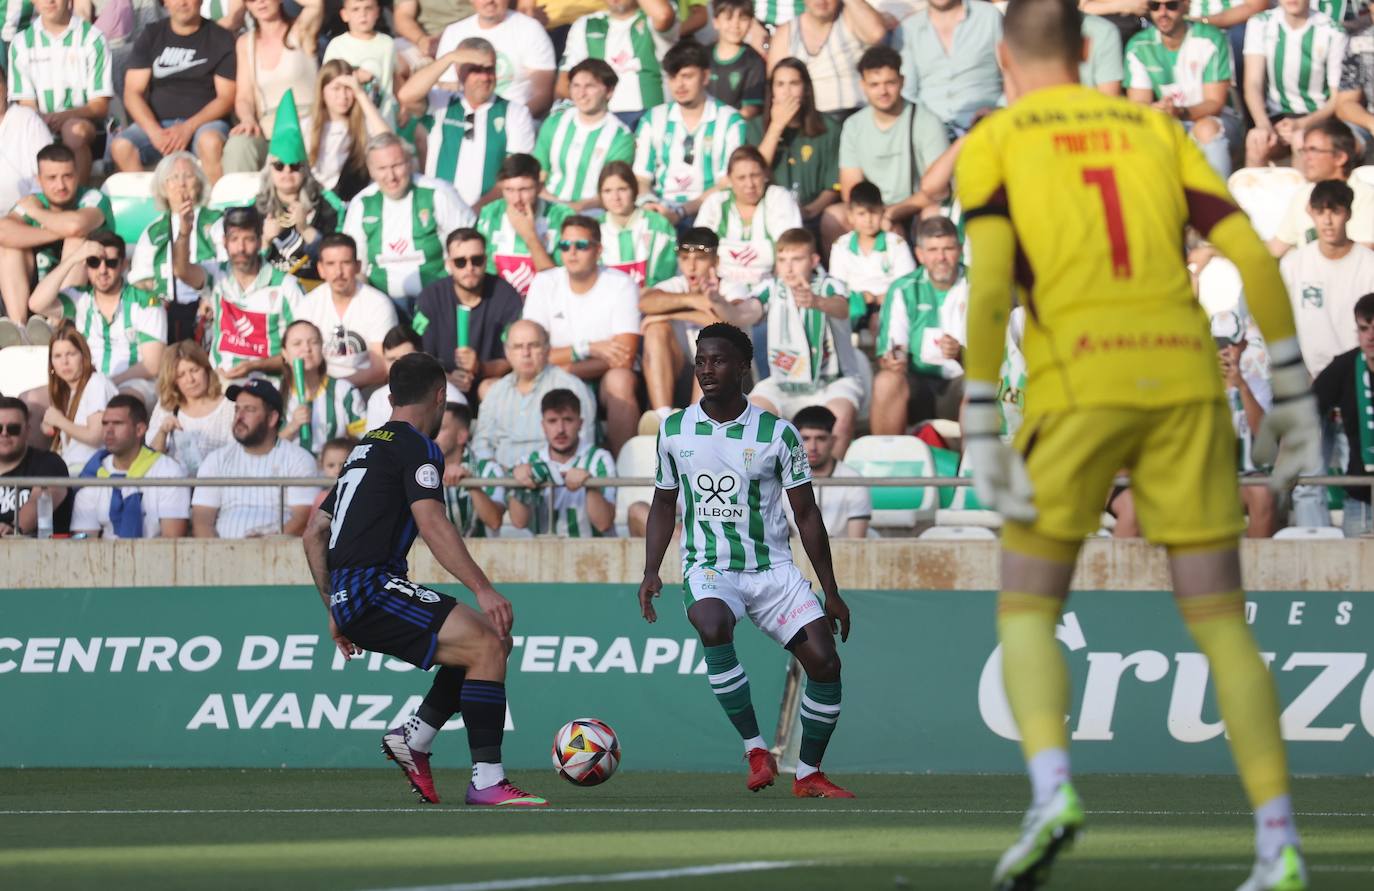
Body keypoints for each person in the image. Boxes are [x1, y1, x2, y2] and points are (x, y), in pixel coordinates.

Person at [954, 2, 1319, 887]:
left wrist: (976, 410)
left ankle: (1052, 792)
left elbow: (995, 279)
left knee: (1029, 604)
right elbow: (1255, 258)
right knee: (1223, 622)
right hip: (1188, 381)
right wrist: (1295, 388)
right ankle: (1279, 847)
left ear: (1003, 59)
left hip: (1077, 384)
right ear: (1087, 51)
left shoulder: (995, 143)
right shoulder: (1153, 129)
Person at [302, 351, 548, 807]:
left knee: (488, 641)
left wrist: (334, 607)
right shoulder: (417, 446)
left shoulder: (363, 449)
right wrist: (483, 588)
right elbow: (433, 523)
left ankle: (416, 737)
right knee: (490, 642)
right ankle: (486, 780)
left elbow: (314, 532)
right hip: (374, 587)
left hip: (356, 592)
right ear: (440, 396)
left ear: (391, 397)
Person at [638, 321, 854, 797]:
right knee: (712, 623)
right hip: (709, 566)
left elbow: (807, 515)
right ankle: (757, 749)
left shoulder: (779, 434)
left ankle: (809, 774)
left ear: (742, 366)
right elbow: (661, 503)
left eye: (717, 360)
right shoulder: (674, 430)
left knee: (825, 663)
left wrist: (831, 591)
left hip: (773, 570)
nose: (706, 369)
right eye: (699, 361)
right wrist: (652, 570)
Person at [721, 227, 866, 456]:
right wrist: (719, 303)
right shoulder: (771, 287)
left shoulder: (830, 285)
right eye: (782, 260)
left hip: (833, 382)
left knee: (840, 421)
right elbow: (742, 315)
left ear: (814, 260)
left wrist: (817, 302)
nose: (788, 268)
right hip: (783, 382)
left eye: (796, 259)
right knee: (747, 421)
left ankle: (828, 487)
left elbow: (842, 308)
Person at [522, 216, 642, 454]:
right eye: (565, 246)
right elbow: (530, 354)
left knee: (620, 379)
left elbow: (624, 358)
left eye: (581, 245)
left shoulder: (622, 284)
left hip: (601, 378)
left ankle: (625, 476)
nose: (572, 252)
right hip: (555, 374)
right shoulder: (544, 282)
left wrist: (562, 363)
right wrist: (589, 348)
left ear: (598, 249)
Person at [28, 232, 167, 408]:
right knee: (30, 399)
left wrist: (103, 386)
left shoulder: (146, 302)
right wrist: (73, 259)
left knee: (118, 405)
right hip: (84, 384)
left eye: (111, 263)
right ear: (86, 266)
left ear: (124, 265)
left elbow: (152, 366)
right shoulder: (80, 298)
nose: (102, 270)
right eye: (94, 262)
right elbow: (36, 303)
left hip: (132, 383)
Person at [830, 46, 949, 249]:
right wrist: (875, 219)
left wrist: (893, 214)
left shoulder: (927, 121)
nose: (883, 91)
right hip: (871, 209)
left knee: (934, 215)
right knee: (832, 218)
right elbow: (850, 188)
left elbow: (937, 190)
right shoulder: (853, 126)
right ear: (863, 86)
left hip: (915, 207)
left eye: (890, 83)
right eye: (874, 84)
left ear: (902, 81)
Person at [342, 133, 475, 315]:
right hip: (384, 304)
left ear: (410, 163)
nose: (391, 176)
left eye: (396, 165)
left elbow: (470, 248)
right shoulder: (362, 204)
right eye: (381, 168)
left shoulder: (439, 193)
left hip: (439, 300)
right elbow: (357, 267)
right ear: (371, 170)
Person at [400, 39, 535, 212]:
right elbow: (406, 96)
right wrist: (450, 58)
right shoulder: (441, 102)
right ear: (459, 72)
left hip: (486, 213)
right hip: (438, 211)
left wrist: (476, 210)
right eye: (476, 70)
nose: (485, 77)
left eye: (489, 69)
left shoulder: (515, 113)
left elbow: (515, 174)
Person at [111, 0, 235, 182]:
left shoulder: (221, 38)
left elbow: (226, 98)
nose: (182, 3)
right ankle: (146, 209)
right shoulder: (152, 35)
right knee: (121, 146)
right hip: (158, 126)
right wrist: (155, 132)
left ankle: (214, 209)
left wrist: (188, 127)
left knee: (210, 143)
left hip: (205, 125)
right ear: (165, 3)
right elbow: (132, 93)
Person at [178, 205, 307, 375]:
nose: (241, 248)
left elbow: (302, 352)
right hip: (221, 383)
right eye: (234, 239)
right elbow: (182, 271)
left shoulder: (287, 286)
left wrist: (254, 366)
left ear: (260, 241)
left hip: (270, 386)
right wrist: (184, 234)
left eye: (248, 239)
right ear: (224, 242)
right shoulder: (217, 274)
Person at [633, 40, 748, 225]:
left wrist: (682, 211)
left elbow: (728, 182)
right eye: (673, 77)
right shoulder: (653, 118)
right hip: (661, 211)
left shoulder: (730, 121)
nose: (679, 85)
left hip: (711, 212)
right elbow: (641, 177)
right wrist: (650, 205)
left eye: (687, 76)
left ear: (705, 77)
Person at [1124, 0, 1243, 178]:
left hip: (1219, 119)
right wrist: (1158, 110)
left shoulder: (1211, 38)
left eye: (1171, 5)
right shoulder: (1138, 45)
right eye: (1155, 6)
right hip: (1169, 120)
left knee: (1205, 128)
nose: (1162, 12)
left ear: (1186, 5)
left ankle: (1218, 201)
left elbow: (1214, 103)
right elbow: (1139, 105)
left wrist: (1178, 112)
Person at [0, 144, 113, 331]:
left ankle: (57, 325)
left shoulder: (92, 197)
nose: (60, 185)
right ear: (39, 180)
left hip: (79, 297)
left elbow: (75, 226)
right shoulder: (35, 201)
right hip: (33, 296)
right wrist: (56, 230)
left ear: (77, 174)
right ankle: (18, 328)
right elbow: (3, 233)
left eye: (67, 176)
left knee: (77, 240)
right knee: (9, 246)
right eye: (52, 178)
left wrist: (36, 214)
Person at [872, 215, 966, 433]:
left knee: (979, 386)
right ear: (920, 254)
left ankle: (974, 465)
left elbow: (994, 359)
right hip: (917, 385)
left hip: (961, 383)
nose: (941, 257)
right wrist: (893, 361)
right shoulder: (903, 289)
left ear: (960, 249)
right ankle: (886, 463)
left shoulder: (977, 285)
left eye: (948, 248)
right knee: (886, 381)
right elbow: (889, 353)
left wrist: (961, 353)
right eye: (933, 250)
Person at [192, 377, 319, 538]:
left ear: (272, 418)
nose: (239, 417)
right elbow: (202, 522)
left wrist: (262, 548)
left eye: (249, 410)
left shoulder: (299, 460)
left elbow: (302, 520)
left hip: (279, 554)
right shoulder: (216, 460)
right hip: (223, 555)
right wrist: (218, 555)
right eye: (237, 409)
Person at [638, 227, 738, 429]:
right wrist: (694, 301)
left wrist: (671, 311)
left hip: (725, 381)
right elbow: (645, 302)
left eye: (699, 259)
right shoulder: (676, 285)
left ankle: (698, 424)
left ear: (715, 261)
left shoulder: (731, 288)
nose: (691, 267)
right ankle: (662, 417)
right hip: (679, 371)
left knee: (717, 343)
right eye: (684, 258)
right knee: (656, 329)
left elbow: (728, 327)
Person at [6, 0, 113, 182]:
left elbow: (100, 106)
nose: (49, 1)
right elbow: (26, 104)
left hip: (87, 125)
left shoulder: (93, 38)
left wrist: (64, 116)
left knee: (73, 130)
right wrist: (42, 121)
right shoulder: (20, 43)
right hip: (39, 123)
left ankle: (76, 199)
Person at [470, 319, 597, 468]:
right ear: (507, 352)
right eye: (518, 347)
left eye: (533, 345)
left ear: (547, 349)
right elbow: (481, 445)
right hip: (501, 483)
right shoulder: (496, 392)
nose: (525, 353)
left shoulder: (572, 388)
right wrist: (495, 475)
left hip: (553, 484)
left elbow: (584, 448)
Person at [413, 228, 522, 402]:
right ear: (448, 264)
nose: (470, 268)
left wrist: (480, 367)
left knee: (490, 389)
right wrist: (447, 378)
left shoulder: (506, 297)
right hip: (442, 385)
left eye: (476, 260)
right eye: (460, 262)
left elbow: (513, 360)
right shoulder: (430, 297)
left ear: (486, 261)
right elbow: (419, 357)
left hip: (490, 384)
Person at [1280, 180, 1374, 379]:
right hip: (1310, 377)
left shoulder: (1369, 265)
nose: (1328, 221)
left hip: (1358, 375)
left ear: (1348, 214)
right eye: (1321, 212)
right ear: (1310, 213)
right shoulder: (1293, 265)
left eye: (1335, 212)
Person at [128, 152, 226, 344]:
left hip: (209, 309)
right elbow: (140, 280)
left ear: (198, 183)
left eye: (188, 176)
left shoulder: (215, 221)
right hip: (166, 313)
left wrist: (211, 297)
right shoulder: (153, 232)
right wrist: (156, 303)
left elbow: (227, 268)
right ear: (163, 187)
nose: (182, 184)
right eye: (174, 178)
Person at [221, 0, 321, 175]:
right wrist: (247, 118)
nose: (260, 2)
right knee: (239, 145)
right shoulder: (245, 43)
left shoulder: (301, 28)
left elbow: (316, 4)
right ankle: (237, 202)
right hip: (268, 127)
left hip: (306, 122)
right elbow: (244, 97)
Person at [1242, 0, 1346, 168]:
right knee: (1256, 139)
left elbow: (1336, 99)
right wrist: (1263, 125)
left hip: (1317, 117)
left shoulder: (1333, 32)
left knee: (1300, 140)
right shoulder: (1260, 23)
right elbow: (1252, 83)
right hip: (1276, 117)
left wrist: (1302, 124)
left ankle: (1303, 193)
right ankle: (1247, 194)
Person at [71, 394, 190, 539]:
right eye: (105, 423)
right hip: (103, 559)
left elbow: (172, 541)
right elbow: (84, 544)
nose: (108, 430)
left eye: (117, 423)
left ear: (139, 430)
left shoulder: (169, 472)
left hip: (156, 559)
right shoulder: (93, 473)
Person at [749, 58, 842, 234]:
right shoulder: (753, 127)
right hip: (769, 213)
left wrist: (810, 211)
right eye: (780, 84)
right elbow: (753, 171)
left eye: (794, 83)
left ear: (805, 89)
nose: (787, 92)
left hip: (815, 213)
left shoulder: (829, 129)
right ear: (772, 90)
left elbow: (834, 185)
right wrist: (776, 126)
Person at [254, 99, 342, 284]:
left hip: (315, 289)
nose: (286, 172)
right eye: (279, 166)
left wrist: (306, 229)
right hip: (270, 292)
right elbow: (246, 271)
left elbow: (338, 262)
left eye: (294, 166)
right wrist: (265, 242)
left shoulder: (328, 205)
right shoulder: (254, 208)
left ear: (305, 169)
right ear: (269, 169)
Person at [507, 387, 617, 536]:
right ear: (543, 426)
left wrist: (590, 486)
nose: (560, 429)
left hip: (595, 555)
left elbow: (604, 523)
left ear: (580, 423)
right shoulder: (527, 462)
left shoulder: (600, 459)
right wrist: (520, 485)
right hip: (545, 554)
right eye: (552, 421)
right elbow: (519, 522)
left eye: (568, 420)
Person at [694, 145, 804, 292]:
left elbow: (791, 250)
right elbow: (698, 253)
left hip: (769, 288)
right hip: (719, 288)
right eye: (741, 178)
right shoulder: (715, 202)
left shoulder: (779, 198)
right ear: (729, 179)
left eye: (755, 175)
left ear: (765, 175)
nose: (750, 184)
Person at [297, 233, 397, 391]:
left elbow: (381, 368)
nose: (338, 272)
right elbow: (298, 358)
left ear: (357, 266)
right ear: (320, 269)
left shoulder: (378, 304)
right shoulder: (308, 304)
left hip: (368, 388)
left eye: (345, 263)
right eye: (330, 264)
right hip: (319, 389)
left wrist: (339, 387)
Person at [536, 59, 637, 209]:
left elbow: (612, 192)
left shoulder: (621, 138)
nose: (581, 94)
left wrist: (573, 208)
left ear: (609, 91)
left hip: (591, 213)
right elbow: (539, 173)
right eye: (576, 86)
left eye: (589, 86)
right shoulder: (555, 123)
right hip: (547, 206)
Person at [558, 0, 676, 129]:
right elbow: (565, 80)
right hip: (601, 121)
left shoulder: (652, 17)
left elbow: (663, 16)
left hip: (652, 116)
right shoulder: (586, 24)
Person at [1212, 310, 1277, 538]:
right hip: (1206, 475)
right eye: (1219, 343)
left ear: (1243, 345)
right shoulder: (1196, 383)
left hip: (1244, 476)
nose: (1225, 351)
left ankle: (1255, 569)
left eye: (1231, 343)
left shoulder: (1258, 385)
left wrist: (1241, 387)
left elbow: (1264, 436)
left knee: (1263, 492)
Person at [1314, 292, 1374, 537]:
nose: (1371, 336)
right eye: (1364, 328)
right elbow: (1306, 413)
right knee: (1358, 576)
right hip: (1360, 499)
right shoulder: (1345, 366)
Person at [1269, 120, 1374, 258]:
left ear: (1340, 158)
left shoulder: (1367, 197)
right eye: (1304, 151)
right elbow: (1274, 249)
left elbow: (1363, 257)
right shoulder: (1303, 195)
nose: (1306, 158)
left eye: (1313, 150)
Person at [475, 153, 574, 298]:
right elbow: (486, 275)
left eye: (525, 189)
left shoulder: (561, 216)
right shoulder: (490, 214)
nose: (517, 199)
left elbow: (558, 285)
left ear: (540, 187)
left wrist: (530, 236)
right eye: (509, 190)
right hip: (502, 308)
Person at [897, 0, 1004, 135]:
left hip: (988, 125)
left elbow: (1014, 71)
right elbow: (907, 92)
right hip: (931, 132)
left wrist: (1001, 108)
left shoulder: (989, 16)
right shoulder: (908, 28)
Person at [435, 0, 556, 119]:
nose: (489, 1)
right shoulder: (453, 32)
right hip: (463, 121)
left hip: (515, 120)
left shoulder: (531, 29)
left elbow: (542, 97)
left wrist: (511, 122)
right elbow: (446, 88)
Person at [767, 0, 887, 119]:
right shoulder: (786, 33)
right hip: (810, 120)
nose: (822, 1)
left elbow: (876, 34)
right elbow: (775, 81)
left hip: (855, 113)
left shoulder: (851, 19)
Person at [827, 180, 916, 333]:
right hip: (853, 308)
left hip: (889, 307)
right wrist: (862, 299)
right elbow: (837, 288)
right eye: (861, 214)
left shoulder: (896, 244)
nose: (868, 220)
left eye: (873, 212)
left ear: (882, 212)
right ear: (850, 216)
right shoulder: (841, 246)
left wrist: (880, 300)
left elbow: (907, 285)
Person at [146, 339, 236, 477]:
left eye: (194, 370)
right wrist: (163, 432)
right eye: (181, 375)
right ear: (173, 380)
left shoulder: (230, 406)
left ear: (206, 369)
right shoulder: (167, 406)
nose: (190, 380)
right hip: (177, 490)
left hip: (220, 485)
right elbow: (150, 461)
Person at [278, 320, 368, 456]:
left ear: (322, 348)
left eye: (313, 342)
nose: (306, 349)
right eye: (297, 344)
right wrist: (292, 427)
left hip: (331, 474)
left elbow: (363, 440)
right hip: (286, 474)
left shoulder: (345, 391)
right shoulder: (273, 392)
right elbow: (262, 449)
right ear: (284, 353)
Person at [308, 61, 392, 205]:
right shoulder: (308, 127)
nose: (343, 96)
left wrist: (359, 93)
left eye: (348, 89)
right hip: (319, 203)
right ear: (322, 91)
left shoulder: (366, 124)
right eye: (336, 89)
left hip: (354, 201)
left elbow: (388, 141)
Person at [43, 323, 118, 475]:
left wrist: (59, 421)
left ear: (83, 356)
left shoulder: (96, 383)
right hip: (72, 473)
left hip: (94, 474)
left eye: (70, 354)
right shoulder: (67, 392)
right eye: (57, 356)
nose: (64, 362)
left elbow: (96, 436)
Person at [363, 324, 469, 428]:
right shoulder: (377, 399)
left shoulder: (452, 398)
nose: (398, 366)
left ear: (422, 356)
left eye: (405, 358)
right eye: (391, 359)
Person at [787, 404, 869, 537]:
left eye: (821, 438)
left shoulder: (854, 481)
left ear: (833, 440)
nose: (813, 447)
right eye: (805, 439)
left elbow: (856, 543)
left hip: (844, 555)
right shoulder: (782, 479)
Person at [596, 161, 679, 288]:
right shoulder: (594, 229)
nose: (615, 197)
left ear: (634, 190)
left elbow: (667, 272)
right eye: (607, 191)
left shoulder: (659, 225)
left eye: (622, 189)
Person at [0, 394, 71, 536]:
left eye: (13, 429)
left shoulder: (49, 463)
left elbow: (38, 501)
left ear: (27, 430)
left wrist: (13, 529)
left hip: (35, 552)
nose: (4, 434)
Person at [321, 0, 400, 128]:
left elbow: (395, 76)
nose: (363, 14)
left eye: (368, 8)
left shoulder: (387, 44)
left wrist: (404, 106)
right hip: (350, 124)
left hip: (383, 118)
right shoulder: (337, 45)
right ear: (344, 14)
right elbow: (327, 81)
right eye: (355, 9)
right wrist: (354, 76)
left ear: (377, 12)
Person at [436, 400, 505, 537]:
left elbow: (494, 521)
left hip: (481, 556)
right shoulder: (417, 467)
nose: (432, 435)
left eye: (441, 429)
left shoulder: (488, 468)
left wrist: (471, 484)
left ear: (461, 436)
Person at [0, 69, 54, 219]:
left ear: (7, 87)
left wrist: (19, 216)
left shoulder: (26, 120)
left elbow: (49, 177)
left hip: (24, 219)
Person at [707, 0, 765, 120]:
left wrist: (724, 125)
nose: (735, 25)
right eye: (728, 18)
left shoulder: (754, 62)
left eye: (743, 18)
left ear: (750, 23)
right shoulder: (702, 56)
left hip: (735, 129)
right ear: (715, 22)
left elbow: (751, 108)